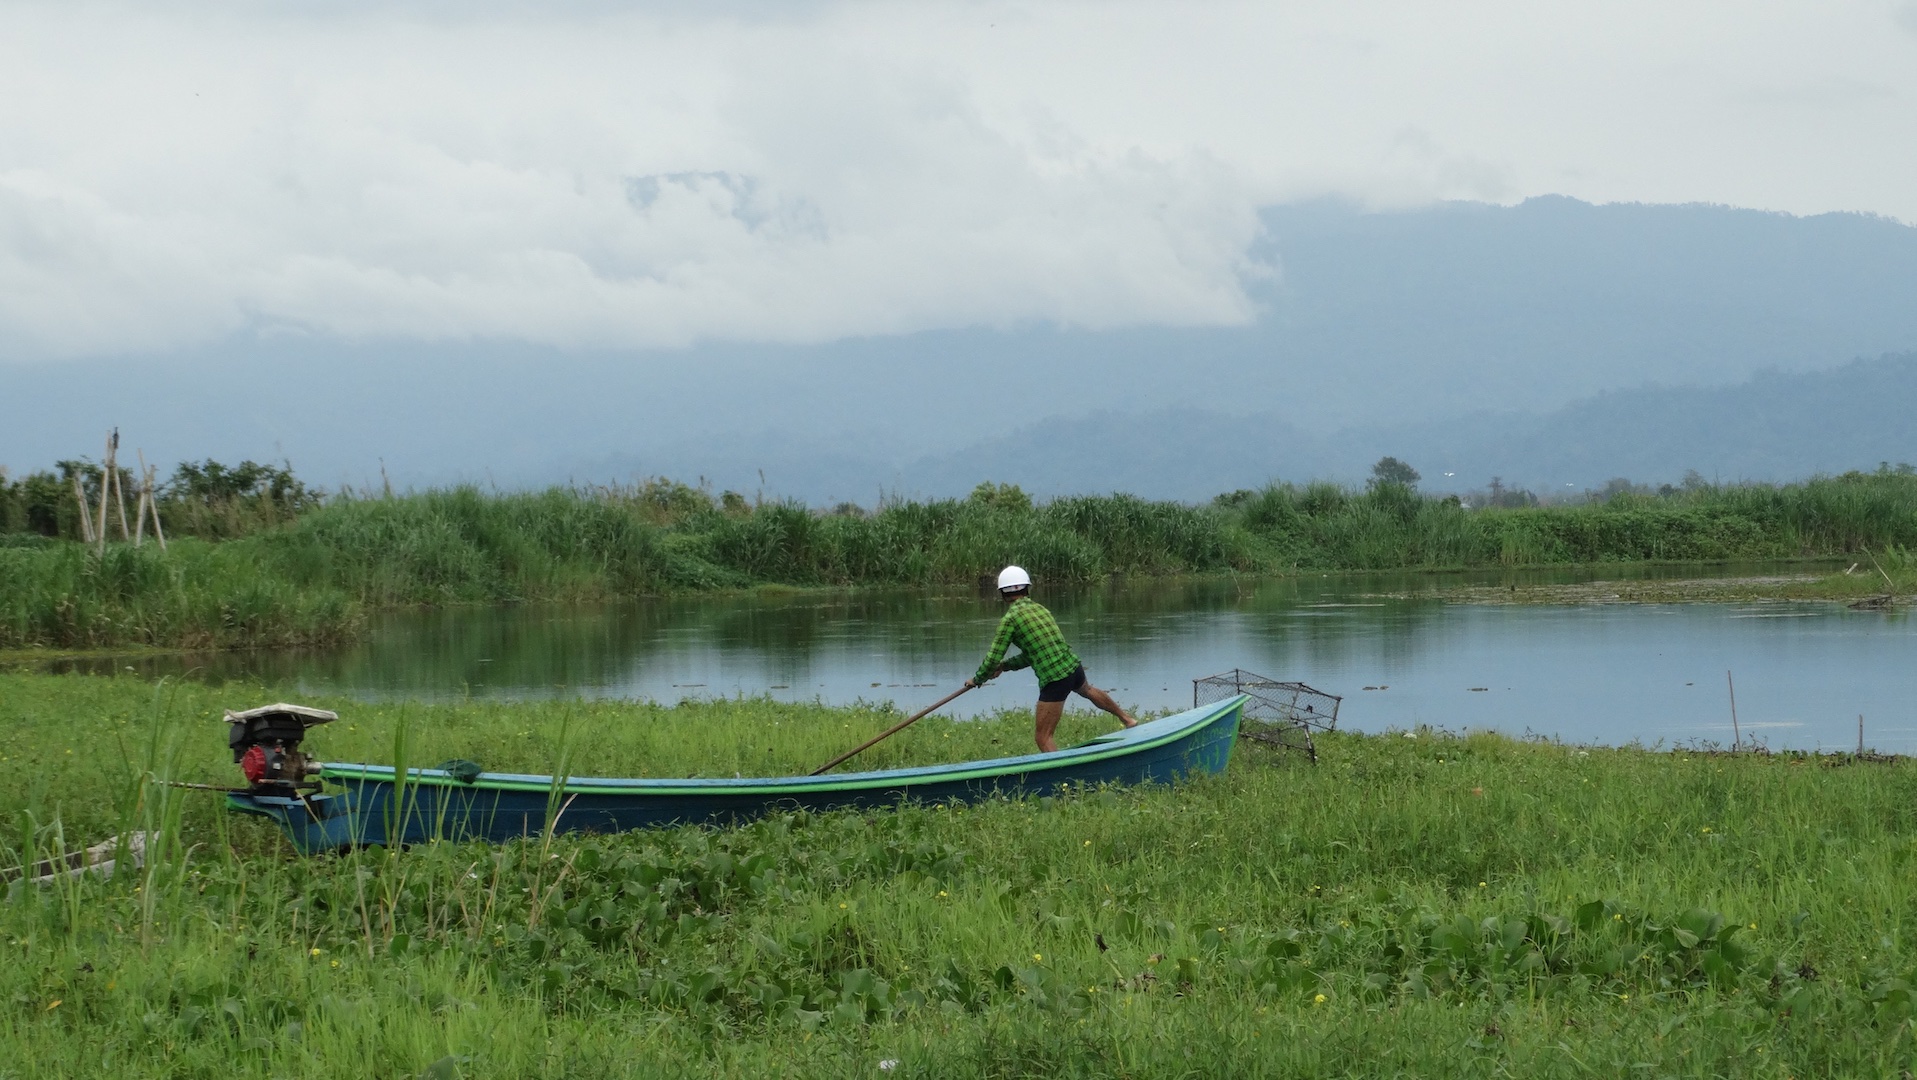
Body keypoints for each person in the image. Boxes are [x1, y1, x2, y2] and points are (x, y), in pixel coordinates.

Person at [965, 565, 1137, 752]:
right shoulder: (1040, 609)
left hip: (1055, 679)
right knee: (1086, 689)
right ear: (1027, 588)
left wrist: (977, 679)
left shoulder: (1010, 620)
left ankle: (1063, 778)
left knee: (1042, 737)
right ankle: (1127, 719)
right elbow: (1034, 654)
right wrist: (1005, 667)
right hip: (1073, 666)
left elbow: (991, 658)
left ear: (1002, 594)